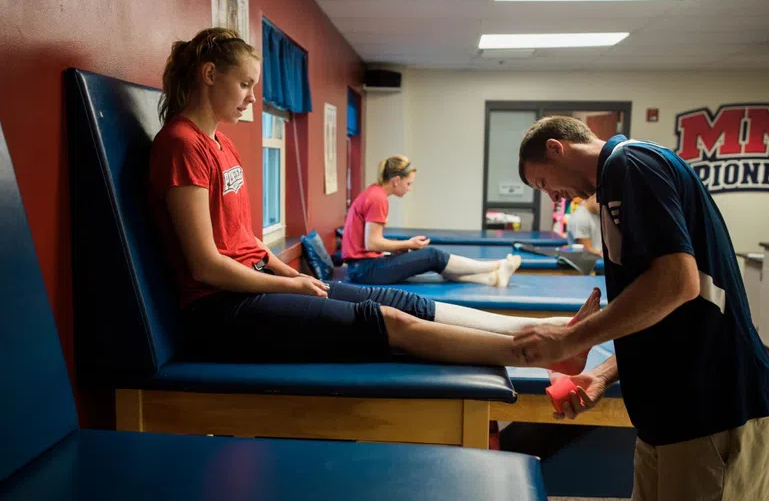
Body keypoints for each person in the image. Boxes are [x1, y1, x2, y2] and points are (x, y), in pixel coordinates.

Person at [148, 28, 596, 374]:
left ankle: (545, 331)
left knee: (399, 300)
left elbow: (244, 239)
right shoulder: (180, 144)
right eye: (245, 84)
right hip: (221, 310)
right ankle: (537, 354)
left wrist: (292, 274)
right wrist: (290, 284)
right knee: (390, 322)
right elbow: (205, 264)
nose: (251, 96)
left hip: (253, 281)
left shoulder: (220, 144)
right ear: (210, 74)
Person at [515, 116, 769, 500]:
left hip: (713, 407)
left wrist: (569, 341)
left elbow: (677, 283)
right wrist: (602, 374)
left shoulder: (629, 162)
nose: (553, 197)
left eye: (543, 183)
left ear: (556, 148)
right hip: (666, 415)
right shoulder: (615, 186)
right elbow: (655, 307)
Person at [342, 154, 522, 286]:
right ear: (396, 180)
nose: (410, 189)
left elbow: (370, 243)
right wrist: (406, 244)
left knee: (434, 261)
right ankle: (497, 265)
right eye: (409, 183)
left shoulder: (374, 192)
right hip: (364, 271)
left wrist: (403, 247)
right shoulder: (378, 198)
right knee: (432, 255)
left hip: (363, 267)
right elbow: (372, 243)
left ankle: (492, 279)